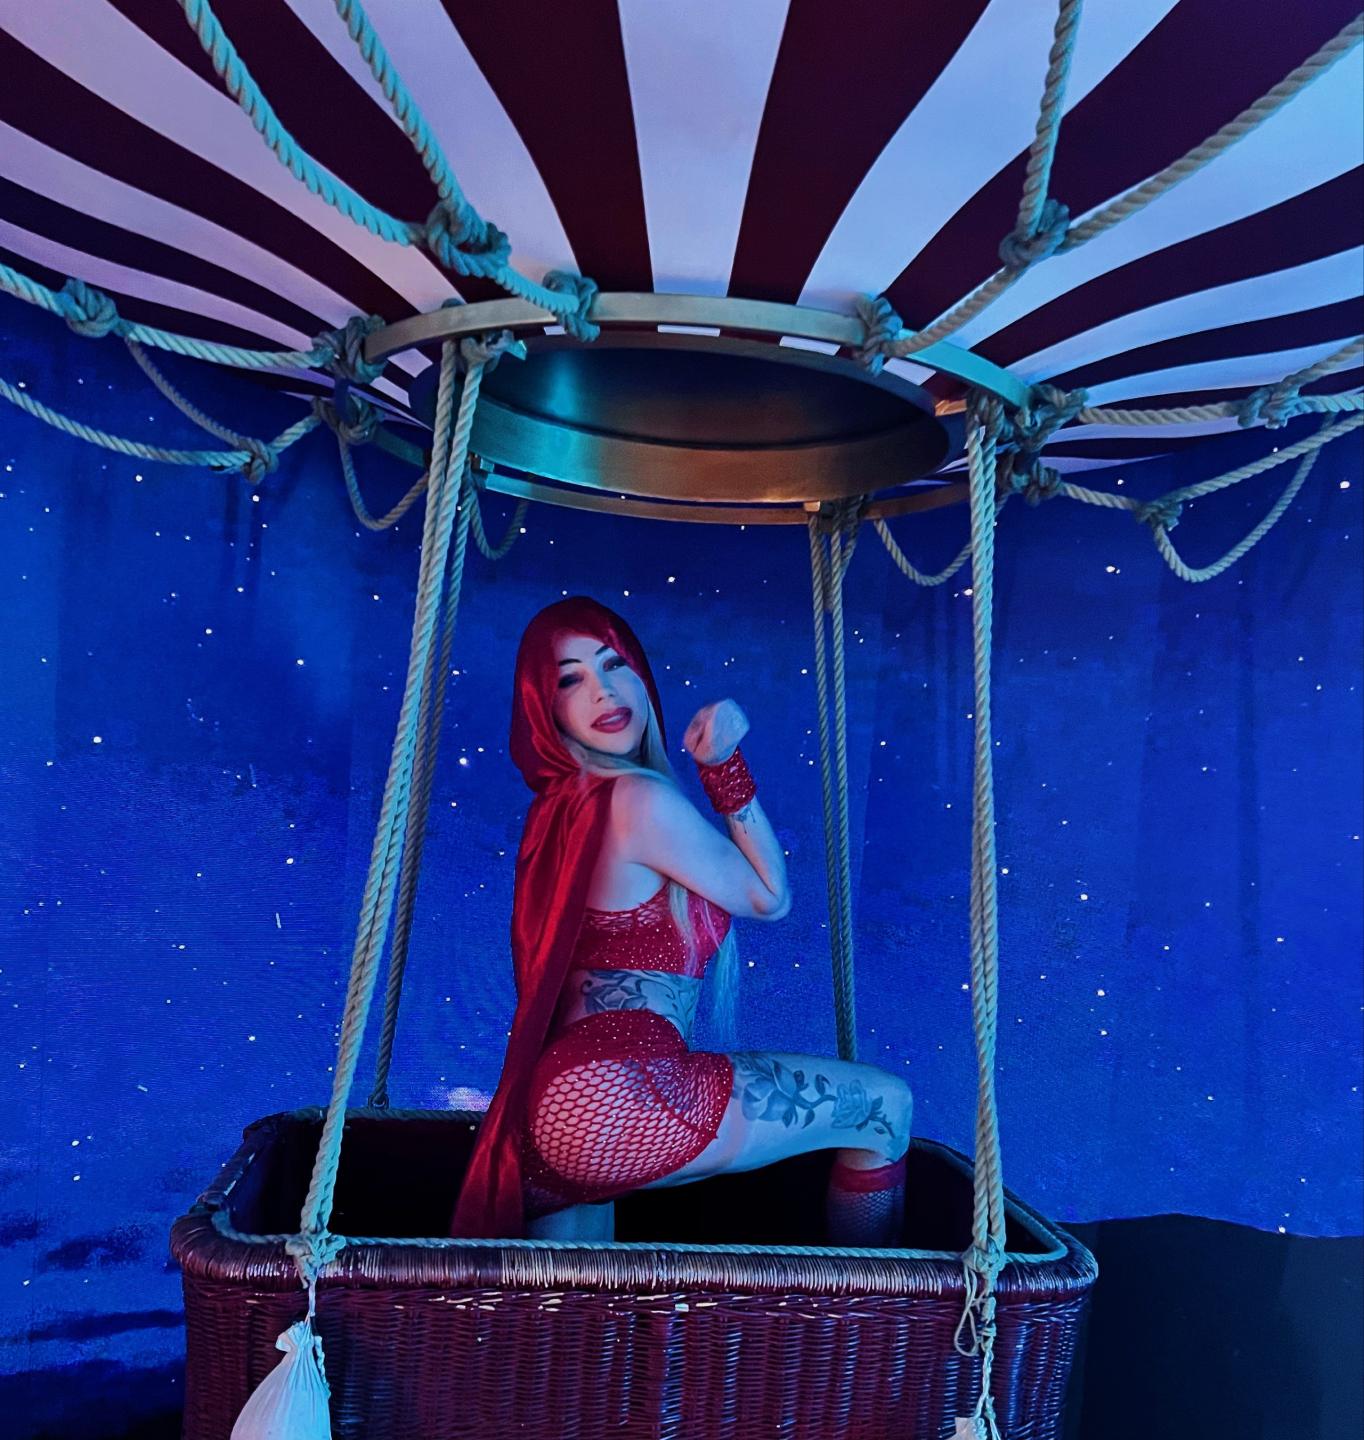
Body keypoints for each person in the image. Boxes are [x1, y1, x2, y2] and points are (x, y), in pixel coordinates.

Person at [447, 595, 912, 1246]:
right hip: (618, 1096)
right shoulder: (636, 798)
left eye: (614, 665)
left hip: (556, 1111)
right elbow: (768, 897)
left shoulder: (563, 808)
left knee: (580, 1311)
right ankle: (875, 1305)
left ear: (641, 676)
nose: (603, 691)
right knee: (885, 1106)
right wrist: (724, 766)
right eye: (570, 680)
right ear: (545, 712)